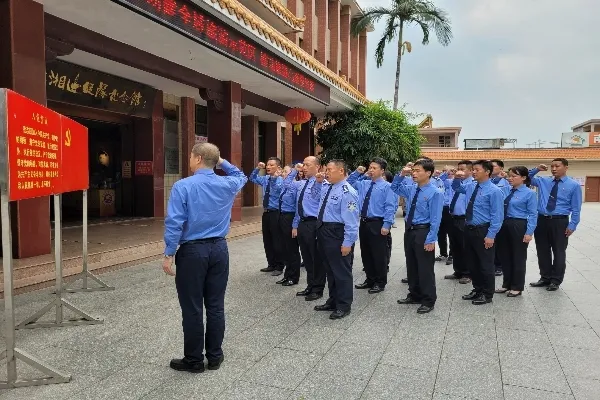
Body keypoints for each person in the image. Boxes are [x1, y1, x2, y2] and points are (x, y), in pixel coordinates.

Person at [163, 143, 247, 373]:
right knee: (215, 305)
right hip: (219, 250)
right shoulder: (227, 184)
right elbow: (241, 175)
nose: (189, 159)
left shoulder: (183, 186)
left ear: (198, 158)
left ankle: (194, 360)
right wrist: (220, 161)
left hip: (192, 252)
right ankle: (215, 356)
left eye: (191, 155)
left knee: (192, 308)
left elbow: (175, 222)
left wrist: (169, 253)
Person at [391, 160, 442, 314]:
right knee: (412, 265)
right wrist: (401, 174)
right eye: (413, 170)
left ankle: (428, 300)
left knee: (425, 268)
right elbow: (394, 187)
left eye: (418, 170)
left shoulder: (435, 192)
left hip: (423, 231)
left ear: (428, 173)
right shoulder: (412, 188)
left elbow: (436, 218)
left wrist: (431, 239)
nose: (414, 173)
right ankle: (414, 294)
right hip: (410, 230)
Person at [452, 160, 503, 305]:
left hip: (483, 230)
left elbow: (497, 216)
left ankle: (487, 294)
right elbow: (456, 188)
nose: (473, 172)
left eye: (477, 170)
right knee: (472, 262)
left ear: (487, 172)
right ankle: (477, 289)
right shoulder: (471, 186)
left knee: (485, 264)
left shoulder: (494, 191)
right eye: (473, 169)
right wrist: (457, 177)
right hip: (468, 228)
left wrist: (491, 235)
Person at [313, 160, 359, 319]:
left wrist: (348, 242)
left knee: (341, 271)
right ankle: (333, 300)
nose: (326, 172)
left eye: (330, 170)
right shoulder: (328, 187)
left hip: (336, 233)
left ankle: (344, 305)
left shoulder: (347, 191)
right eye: (326, 170)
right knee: (330, 270)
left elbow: (352, 221)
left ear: (341, 171)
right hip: (324, 231)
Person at [529, 159, 582, 291]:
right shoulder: (543, 181)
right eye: (552, 166)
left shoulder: (573, 185)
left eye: (557, 166)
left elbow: (576, 207)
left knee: (559, 251)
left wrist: (572, 224)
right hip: (542, 220)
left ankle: (556, 280)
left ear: (566, 167)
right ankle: (545, 277)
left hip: (560, 221)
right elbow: (527, 178)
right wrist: (537, 169)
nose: (553, 168)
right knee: (542, 251)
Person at [348, 158, 397, 293]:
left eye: (374, 168)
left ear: (382, 171)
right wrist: (358, 173)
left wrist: (387, 224)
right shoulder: (364, 184)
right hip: (364, 222)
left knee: (379, 254)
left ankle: (380, 282)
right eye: (370, 167)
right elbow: (348, 183)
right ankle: (369, 279)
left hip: (378, 222)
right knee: (366, 252)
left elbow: (390, 207)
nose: (371, 170)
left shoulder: (388, 187)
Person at [495, 166, 537, 297]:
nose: (510, 178)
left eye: (514, 176)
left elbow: (533, 214)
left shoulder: (529, 193)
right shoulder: (504, 190)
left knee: (518, 257)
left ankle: (517, 286)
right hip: (504, 224)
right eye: (509, 175)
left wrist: (529, 232)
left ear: (524, 178)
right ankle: (506, 284)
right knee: (505, 256)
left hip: (519, 224)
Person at [289, 157, 327, 301]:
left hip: (314, 223)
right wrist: (294, 171)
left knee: (316, 258)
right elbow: (287, 185)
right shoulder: (301, 184)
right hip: (303, 223)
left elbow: (320, 199)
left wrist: (318, 182)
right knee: (306, 257)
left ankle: (318, 288)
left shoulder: (322, 183)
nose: (304, 167)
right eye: (303, 164)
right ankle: (310, 285)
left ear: (317, 167)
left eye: (307, 165)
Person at [249, 158, 285, 276]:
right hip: (266, 212)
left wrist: (274, 179)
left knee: (277, 240)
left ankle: (279, 266)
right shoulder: (265, 179)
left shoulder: (281, 180)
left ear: (278, 167)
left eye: (271, 165)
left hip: (276, 213)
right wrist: (257, 168)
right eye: (267, 164)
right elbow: (252, 178)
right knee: (267, 240)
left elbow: (278, 189)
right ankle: (271, 264)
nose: (268, 166)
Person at [444, 161, 473, 284]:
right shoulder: (456, 182)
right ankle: (458, 270)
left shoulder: (472, 184)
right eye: (458, 169)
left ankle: (467, 273)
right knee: (455, 245)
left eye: (463, 169)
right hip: (453, 217)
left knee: (464, 246)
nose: (459, 171)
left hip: (464, 218)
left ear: (471, 171)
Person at [276, 165, 301, 286]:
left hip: (290, 217)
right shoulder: (284, 186)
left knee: (292, 250)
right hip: (282, 216)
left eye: (285, 172)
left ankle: (293, 276)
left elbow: (298, 207)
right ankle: (287, 274)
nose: (283, 174)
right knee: (284, 248)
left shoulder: (296, 185)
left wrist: (295, 225)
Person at [490, 159, 510, 276]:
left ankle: (500, 266)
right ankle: (493, 264)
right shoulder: (490, 180)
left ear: (501, 168)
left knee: (501, 242)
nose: (491, 168)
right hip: (491, 214)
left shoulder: (507, 181)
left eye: (494, 166)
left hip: (503, 214)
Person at [437, 166, 455, 265]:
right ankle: (443, 253)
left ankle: (452, 254)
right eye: (444, 171)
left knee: (451, 233)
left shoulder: (456, 182)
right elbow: (440, 179)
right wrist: (445, 173)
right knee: (440, 233)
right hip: (440, 209)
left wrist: (453, 174)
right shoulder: (440, 181)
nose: (448, 173)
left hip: (450, 210)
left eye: (450, 171)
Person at [384, 170, 399, 271]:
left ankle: (385, 264)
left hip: (384, 220)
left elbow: (392, 205)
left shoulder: (389, 187)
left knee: (385, 245)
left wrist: (388, 222)